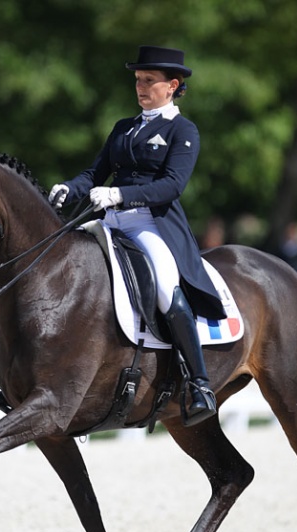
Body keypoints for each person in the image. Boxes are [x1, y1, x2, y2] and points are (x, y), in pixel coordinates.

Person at [49, 45, 226, 426]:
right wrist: (70, 187)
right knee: (58, 264)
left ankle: (199, 384)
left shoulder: (183, 130)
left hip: (150, 223)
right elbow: (94, 175)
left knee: (165, 286)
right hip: (110, 220)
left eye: (149, 81)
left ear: (172, 85)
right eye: (137, 81)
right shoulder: (123, 127)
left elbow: (172, 186)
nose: (140, 88)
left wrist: (121, 194)